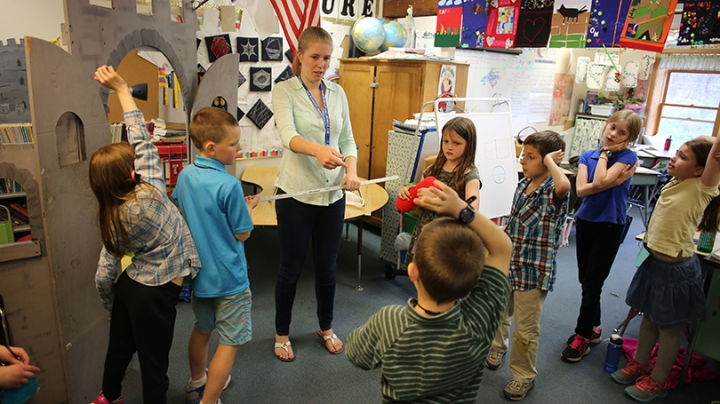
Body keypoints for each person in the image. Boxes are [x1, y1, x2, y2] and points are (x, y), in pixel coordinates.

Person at [90, 66, 200, 404]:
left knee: (119, 349)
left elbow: (104, 273)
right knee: (155, 367)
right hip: (155, 294)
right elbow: (142, 138)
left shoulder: (111, 217)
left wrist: (113, 303)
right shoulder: (150, 191)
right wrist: (123, 89)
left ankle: (108, 397)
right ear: (131, 173)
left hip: (129, 287)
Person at [345, 180, 512, 404]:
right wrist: (462, 209)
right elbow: (503, 247)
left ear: (413, 271)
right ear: (477, 278)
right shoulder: (479, 322)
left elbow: (357, 355)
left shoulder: (389, 321)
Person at [271, 26, 359, 362]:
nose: (321, 64)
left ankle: (326, 327)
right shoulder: (285, 90)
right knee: (290, 269)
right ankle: (281, 333)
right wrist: (317, 151)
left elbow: (348, 140)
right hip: (296, 194)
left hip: (333, 195)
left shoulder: (337, 93)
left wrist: (350, 171)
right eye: (315, 57)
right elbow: (287, 135)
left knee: (328, 268)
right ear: (301, 56)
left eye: (326, 57)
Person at [611, 135, 720, 402]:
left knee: (668, 328)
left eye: (683, 157)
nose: (674, 157)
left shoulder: (700, 187)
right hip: (655, 265)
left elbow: (715, 159)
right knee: (648, 317)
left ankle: (658, 381)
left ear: (699, 170)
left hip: (676, 272)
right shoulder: (675, 181)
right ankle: (641, 363)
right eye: (677, 152)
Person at [172, 107, 258, 404]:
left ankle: (197, 382)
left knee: (202, 328)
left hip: (199, 275)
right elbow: (242, 233)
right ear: (212, 147)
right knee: (230, 343)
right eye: (233, 144)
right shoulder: (230, 185)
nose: (238, 148)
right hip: (230, 278)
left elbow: (183, 208)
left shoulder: (185, 175)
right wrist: (248, 209)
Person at [484, 131, 571, 400]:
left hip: (534, 272)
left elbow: (565, 186)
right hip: (510, 264)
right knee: (500, 313)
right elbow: (514, 224)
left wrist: (551, 163)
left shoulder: (554, 191)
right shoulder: (523, 185)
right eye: (523, 154)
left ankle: (524, 376)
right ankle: (497, 348)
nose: (523, 160)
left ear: (548, 161)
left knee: (526, 330)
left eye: (531, 157)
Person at [562, 110, 641, 362]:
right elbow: (583, 190)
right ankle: (594, 328)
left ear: (629, 138)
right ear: (605, 125)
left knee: (593, 283)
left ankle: (582, 335)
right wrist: (614, 180)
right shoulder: (587, 155)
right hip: (586, 221)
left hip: (609, 225)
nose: (613, 134)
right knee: (586, 279)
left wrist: (606, 158)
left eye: (622, 132)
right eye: (612, 127)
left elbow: (599, 179)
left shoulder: (628, 156)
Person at [399, 117, 481, 271]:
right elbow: (418, 190)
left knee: (439, 276)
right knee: (419, 272)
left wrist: (439, 200)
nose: (449, 147)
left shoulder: (469, 175)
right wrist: (407, 192)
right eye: (446, 141)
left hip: (447, 236)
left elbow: (473, 210)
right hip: (424, 229)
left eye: (456, 143)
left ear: (469, 145)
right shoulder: (435, 167)